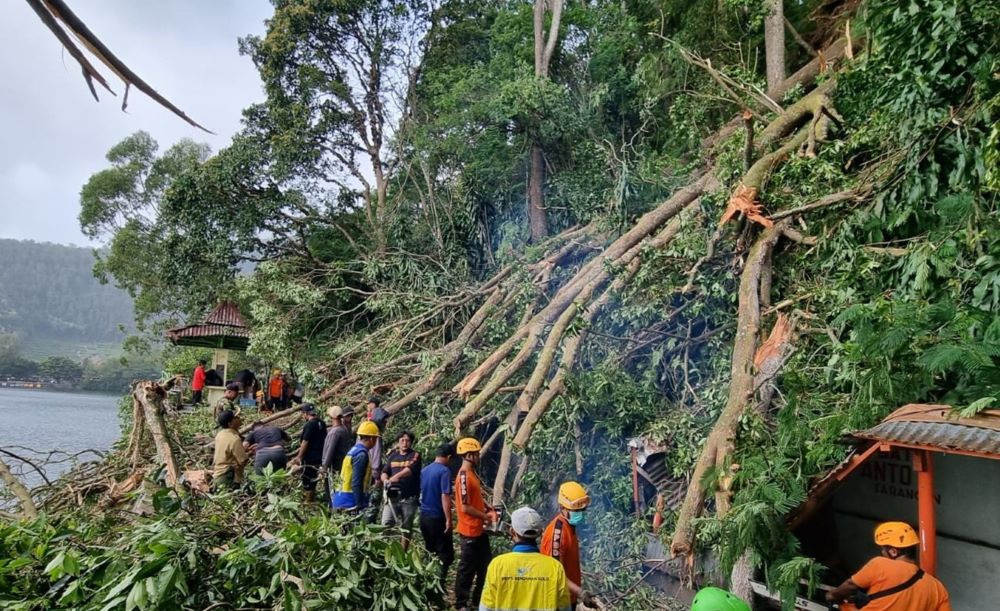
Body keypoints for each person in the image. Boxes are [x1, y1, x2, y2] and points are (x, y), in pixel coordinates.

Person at [825, 521, 951, 610]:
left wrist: (833, 595)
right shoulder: (937, 588)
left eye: (883, 550)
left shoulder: (880, 564)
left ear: (893, 551)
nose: (882, 553)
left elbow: (850, 585)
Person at [479, 506, 572, 611]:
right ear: (541, 533)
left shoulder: (497, 565)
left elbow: (485, 608)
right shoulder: (555, 567)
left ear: (512, 532)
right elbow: (565, 608)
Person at [454, 437, 498, 611]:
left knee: (485, 567)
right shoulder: (464, 476)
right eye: (477, 453)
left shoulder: (472, 474)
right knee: (467, 568)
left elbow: (475, 498)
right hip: (469, 530)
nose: (479, 456)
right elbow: (465, 507)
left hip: (479, 530)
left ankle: (478, 600)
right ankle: (461, 603)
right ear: (469, 455)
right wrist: (486, 517)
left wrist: (487, 506)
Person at [541, 481, 596, 610]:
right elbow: (555, 575)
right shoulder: (557, 535)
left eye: (582, 509)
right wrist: (580, 592)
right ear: (562, 508)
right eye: (576, 510)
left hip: (567, 598)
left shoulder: (570, 527)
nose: (580, 513)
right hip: (556, 601)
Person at [419, 441, 456, 581]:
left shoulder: (425, 470)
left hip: (424, 517)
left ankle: (426, 582)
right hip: (437, 517)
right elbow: (445, 495)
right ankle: (438, 585)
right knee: (445, 555)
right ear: (449, 457)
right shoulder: (444, 471)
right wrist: (448, 519)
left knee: (430, 551)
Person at [380, 430, 422, 548]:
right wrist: (385, 480)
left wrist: (394, 478)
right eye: (402, 440)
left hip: (408, 498)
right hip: (392, 496)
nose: (404, 443)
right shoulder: (393, 456)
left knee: (406, 528)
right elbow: (384, 472)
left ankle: (403, 555)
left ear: (411, 442)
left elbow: (409, 470)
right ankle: (383, 552)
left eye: (407, 440)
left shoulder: (415, 455)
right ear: (398, 442)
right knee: (386, 524)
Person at [332, 420, 381, 513]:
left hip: (342, 498)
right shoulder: (361, 454)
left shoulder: (354, 450)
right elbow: (356, 481)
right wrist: (359, 504)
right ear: (371, 439)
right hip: (350, 501)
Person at [289, 404, 326, 503]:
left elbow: (305, 442)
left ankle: (308, 501)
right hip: (320, 456)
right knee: (313, 477)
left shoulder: (310, 425)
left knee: (307, 478)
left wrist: (299, 456)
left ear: (305, 414)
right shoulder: (322, 423)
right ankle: (311, 498)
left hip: (310, 457)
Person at [321, 405, 355, 500]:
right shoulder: (344, 429)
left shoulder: (334, 432)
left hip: (334, 467)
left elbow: (329, 451)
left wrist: (324, 467)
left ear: (332, 417)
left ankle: (334, 508)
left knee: (332, 490)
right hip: (342, 464)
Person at [212, 409, 249, 489]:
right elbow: (243, 460)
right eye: (235, 417)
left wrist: (243, 450)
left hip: (218, 475)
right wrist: (250, 453)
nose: (239, 418)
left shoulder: (220, 434)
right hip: (228, 477)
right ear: (230, 423)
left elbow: (227, 453)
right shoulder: (234, 439)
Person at [366, 396, 390, 478]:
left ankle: (375, 473)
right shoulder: (372, 412)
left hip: (375, 435)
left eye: (369, 404)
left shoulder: (378, 411)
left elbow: (378, 420)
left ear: (373, 404)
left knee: (375, 453)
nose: (368, 406)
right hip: (372, 435)